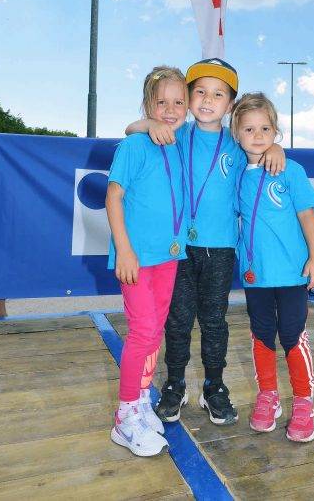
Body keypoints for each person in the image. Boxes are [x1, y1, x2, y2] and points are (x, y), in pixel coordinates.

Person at [125, 58, 286, 426]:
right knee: (178, 319)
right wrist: (149, 123)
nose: (208, 100)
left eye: (218, 94)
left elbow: (263, 144)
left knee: (214, 320)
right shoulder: (176, 132)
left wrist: (276, 149)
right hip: (179, 247)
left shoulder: (237, 142)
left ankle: (214, 386)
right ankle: (175, 384)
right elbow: (132, 128)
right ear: (188, 97)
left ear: (230, 105)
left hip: (222, 248)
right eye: (200, 92)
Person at [230, 92, 314, 442]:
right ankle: (268, 395)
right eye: (249, 129)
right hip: (255, 274)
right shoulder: (236, 173)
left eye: (265, 129)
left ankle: (303, 401)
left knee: (292, 335)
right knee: (261, 334)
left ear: (276, 131)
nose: (257, 135)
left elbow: (307, 216)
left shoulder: (290, 169)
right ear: (236, 134)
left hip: (291, 273)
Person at [105, 65, 189, 457]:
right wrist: (124, 250)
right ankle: (125, 419)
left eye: (178, 102)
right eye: (161, 103)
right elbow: (113, 196)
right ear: (147, 105)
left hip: (168, 257)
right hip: (136, 259)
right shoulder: (134, 146)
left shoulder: (179, 141)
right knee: (142, 333)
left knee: (154, 332)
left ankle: (139, 400)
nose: (170, 110)